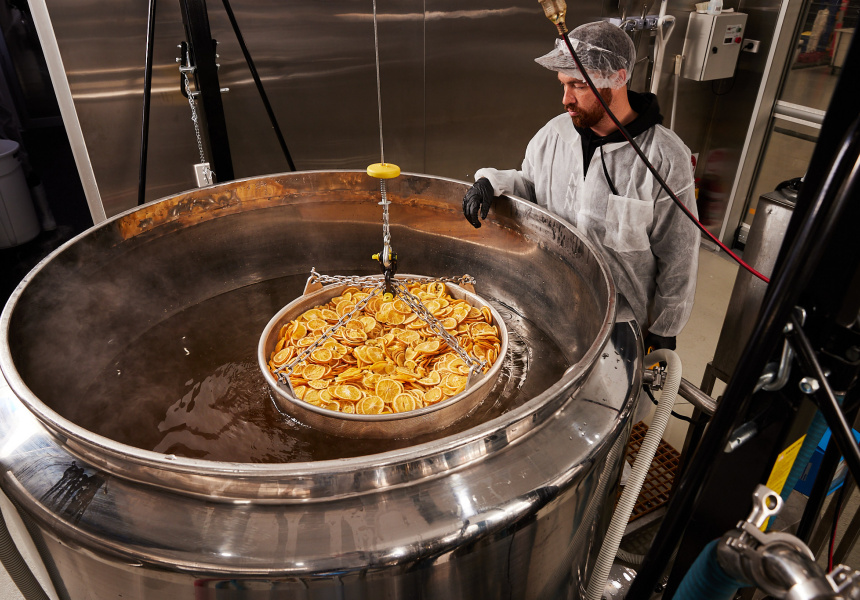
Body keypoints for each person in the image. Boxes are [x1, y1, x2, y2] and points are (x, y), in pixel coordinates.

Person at [462, 21, 699, 352]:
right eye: (562, 84)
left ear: (617, 78)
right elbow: (532, 187)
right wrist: (491, 180)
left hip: (621, 319)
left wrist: (665, 327)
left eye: (578, 86)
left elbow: (679, 252)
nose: (565, 99)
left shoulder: (664, 157)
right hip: (553, 301)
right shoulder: (555, 134)